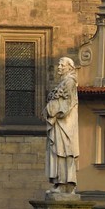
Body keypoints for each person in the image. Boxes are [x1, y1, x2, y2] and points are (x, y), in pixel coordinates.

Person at [45, 55, 79, 192]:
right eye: (59, 65)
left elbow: (68, 104)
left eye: (62, 65)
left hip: (65, 124)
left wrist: (52, 110)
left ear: (69, 68)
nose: (58, 67)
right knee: (59, 152)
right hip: (60, 124)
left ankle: (64, 184)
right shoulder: (64, 82)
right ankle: (60, 182)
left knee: (63, 152)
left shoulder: (69, 82)